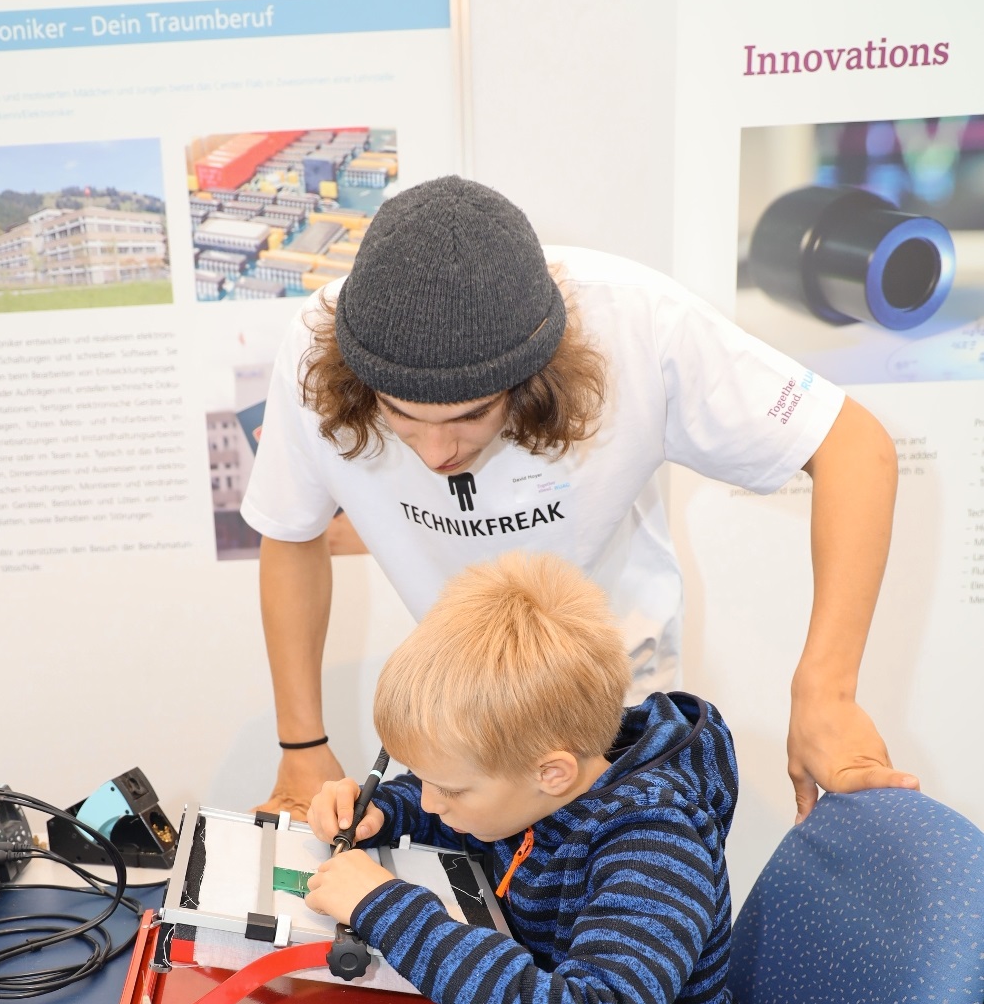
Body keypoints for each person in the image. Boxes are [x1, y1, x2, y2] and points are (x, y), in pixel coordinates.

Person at [242, 175, 917, 825]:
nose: (434, 453)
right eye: (403, 416)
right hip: (465, 714)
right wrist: (301, 748)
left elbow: (854, 446)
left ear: (537, 374)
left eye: (470, 418)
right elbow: (291, 530)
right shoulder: (317, 341)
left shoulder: (637, 325)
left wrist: (825, 692)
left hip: (616, 714)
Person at [303, 554, 747, 1004]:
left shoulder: (655, 848)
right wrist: (393, 809)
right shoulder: (550, 781)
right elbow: (483, 809)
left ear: (552, 773)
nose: (437, 802)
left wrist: (384, 907)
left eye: (448, 786)